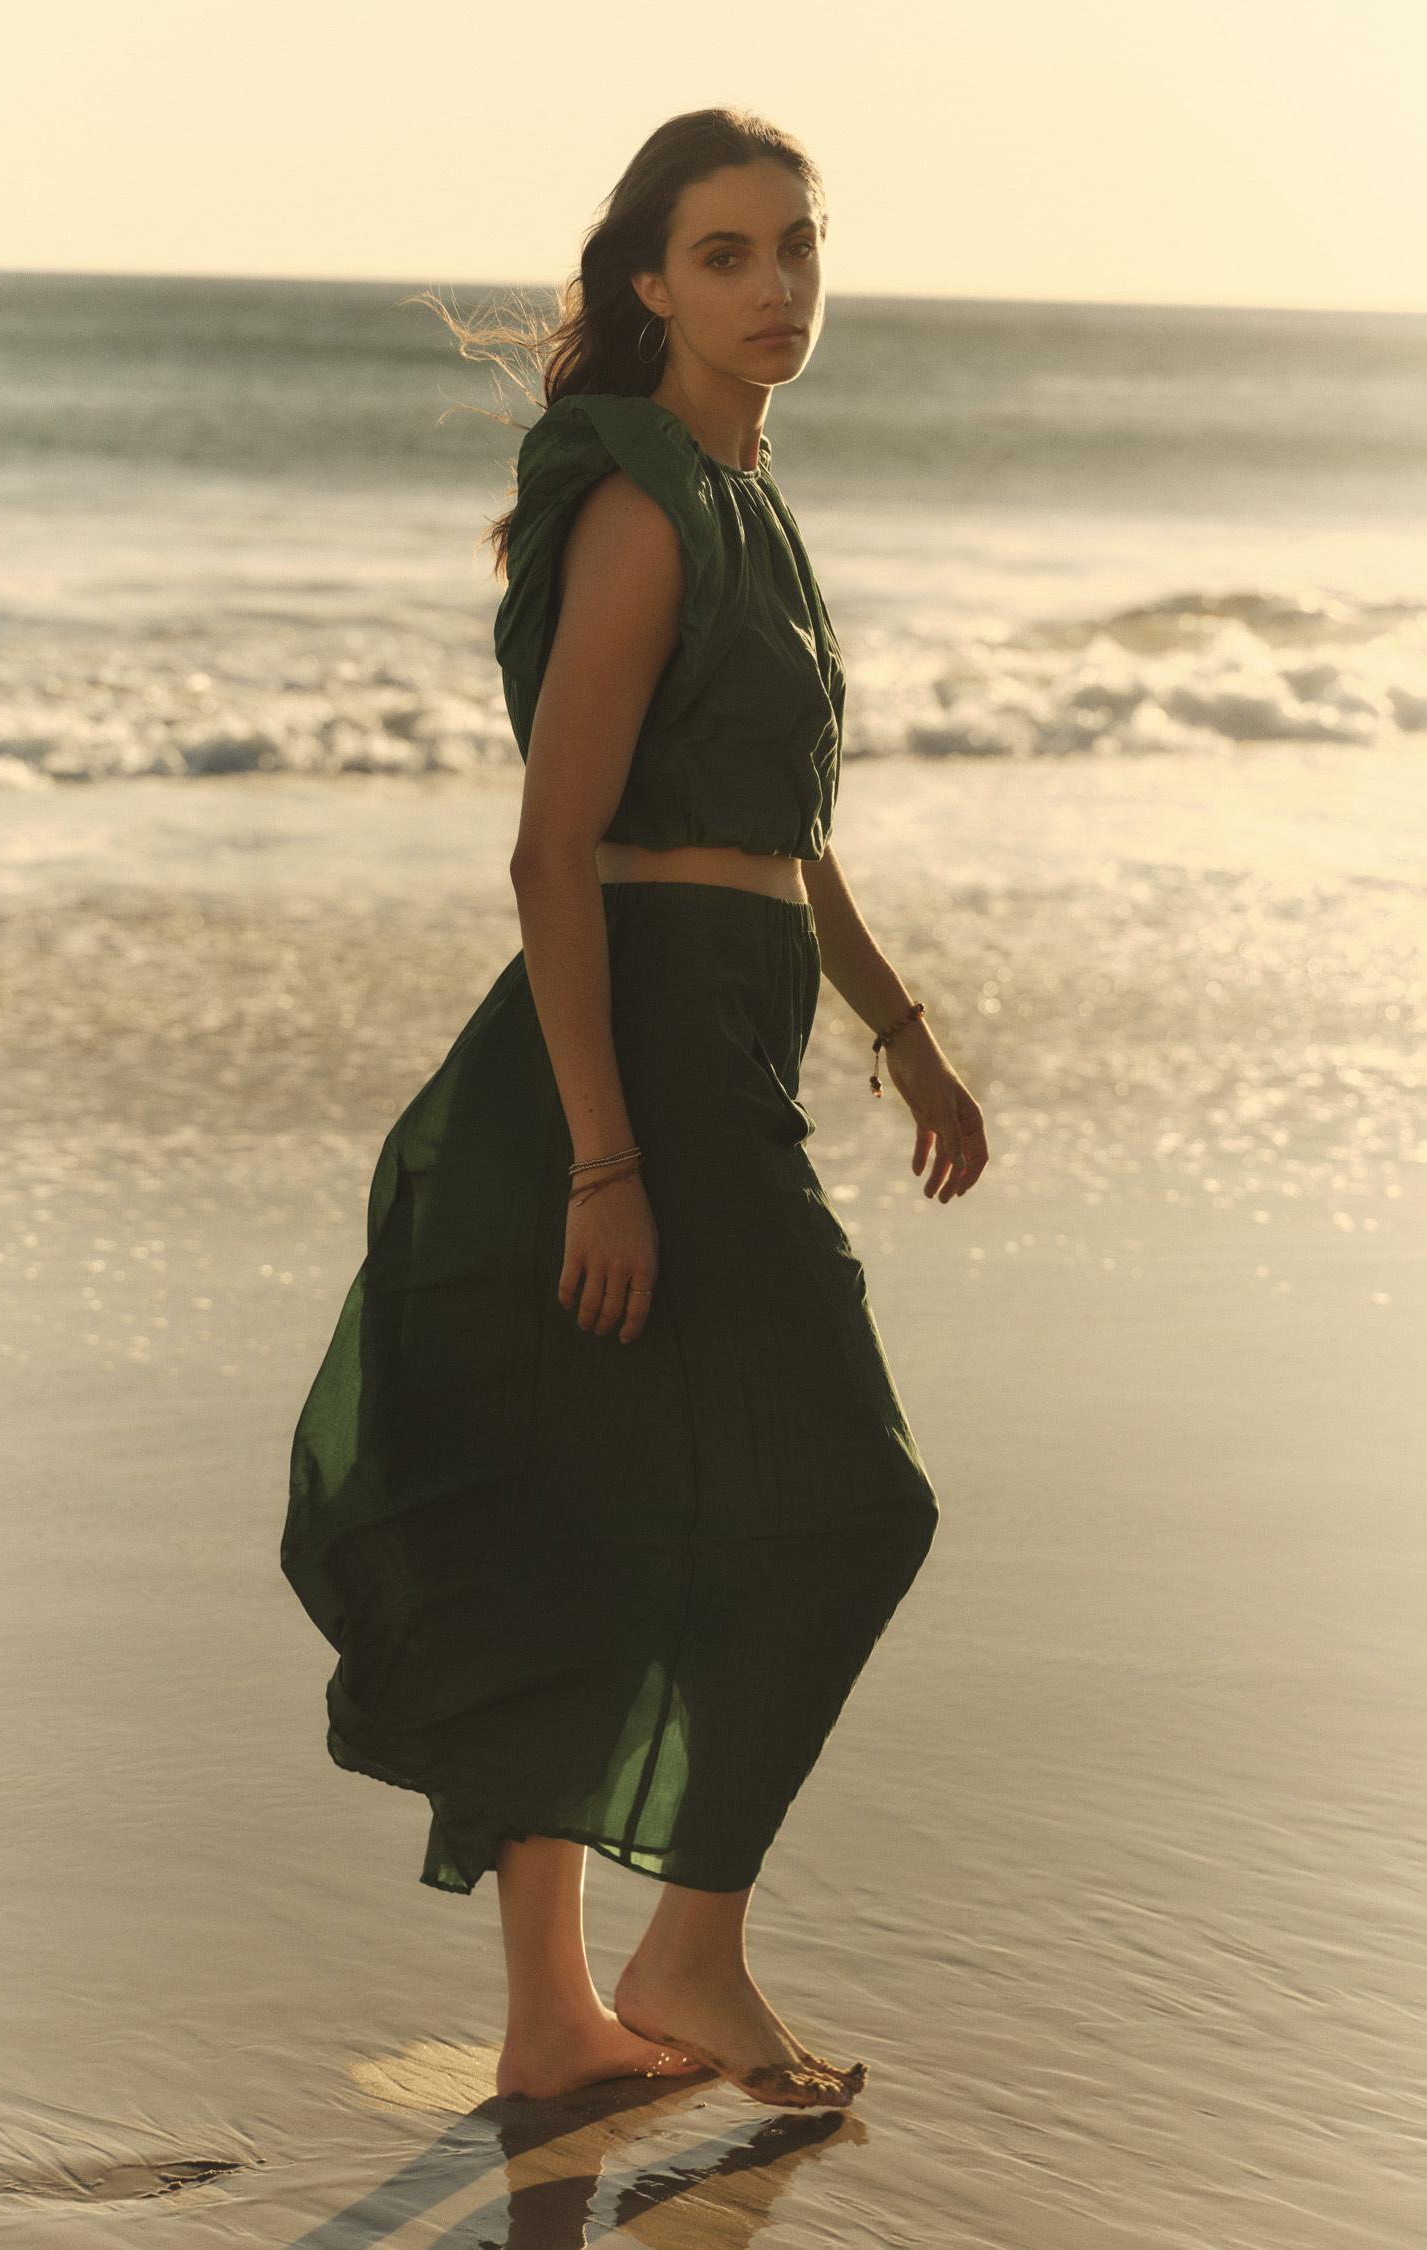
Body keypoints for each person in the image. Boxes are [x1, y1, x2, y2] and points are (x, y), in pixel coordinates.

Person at [281, 106, 989, 2113]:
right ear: (650, 285)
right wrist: (603, 1157)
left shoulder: (755, 501)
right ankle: (688, 1958)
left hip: (725, 1043)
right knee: (860, 1495)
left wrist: (903, 1030)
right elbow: (553, 853)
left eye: (802, 253)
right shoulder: (644, 506)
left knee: (593, 1504)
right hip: (633, 1066)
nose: (780, 292)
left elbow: (787, 837)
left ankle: (549, 2027)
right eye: (734, 255)